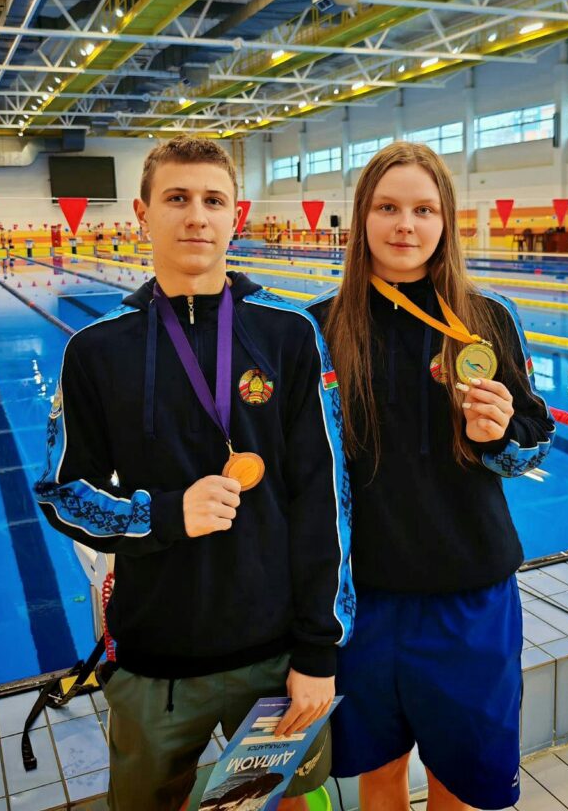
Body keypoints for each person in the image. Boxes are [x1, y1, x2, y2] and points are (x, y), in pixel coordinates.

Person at [35, 137, 354, 811]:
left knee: (287, 805)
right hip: (154, 663)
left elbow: (325, 499)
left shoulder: (289, 335)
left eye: (214, 201)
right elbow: (63, 494)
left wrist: (319, 650)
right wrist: (162, 514)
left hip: (274, 656)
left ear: (236, 216)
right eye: (177, 198)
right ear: (142, 213)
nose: (196, 217)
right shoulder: (94, 350)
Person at [306, 142, 555, 811]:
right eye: (387, 208)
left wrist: (498, 436)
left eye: (423, 209)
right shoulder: (321, 327)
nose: (405, 226)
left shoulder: (487, 319)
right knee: (378, 774)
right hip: (364, 606)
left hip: (469, 599)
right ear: (362, 219)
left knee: (457, 781)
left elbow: (537, 443)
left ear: (446, 221)